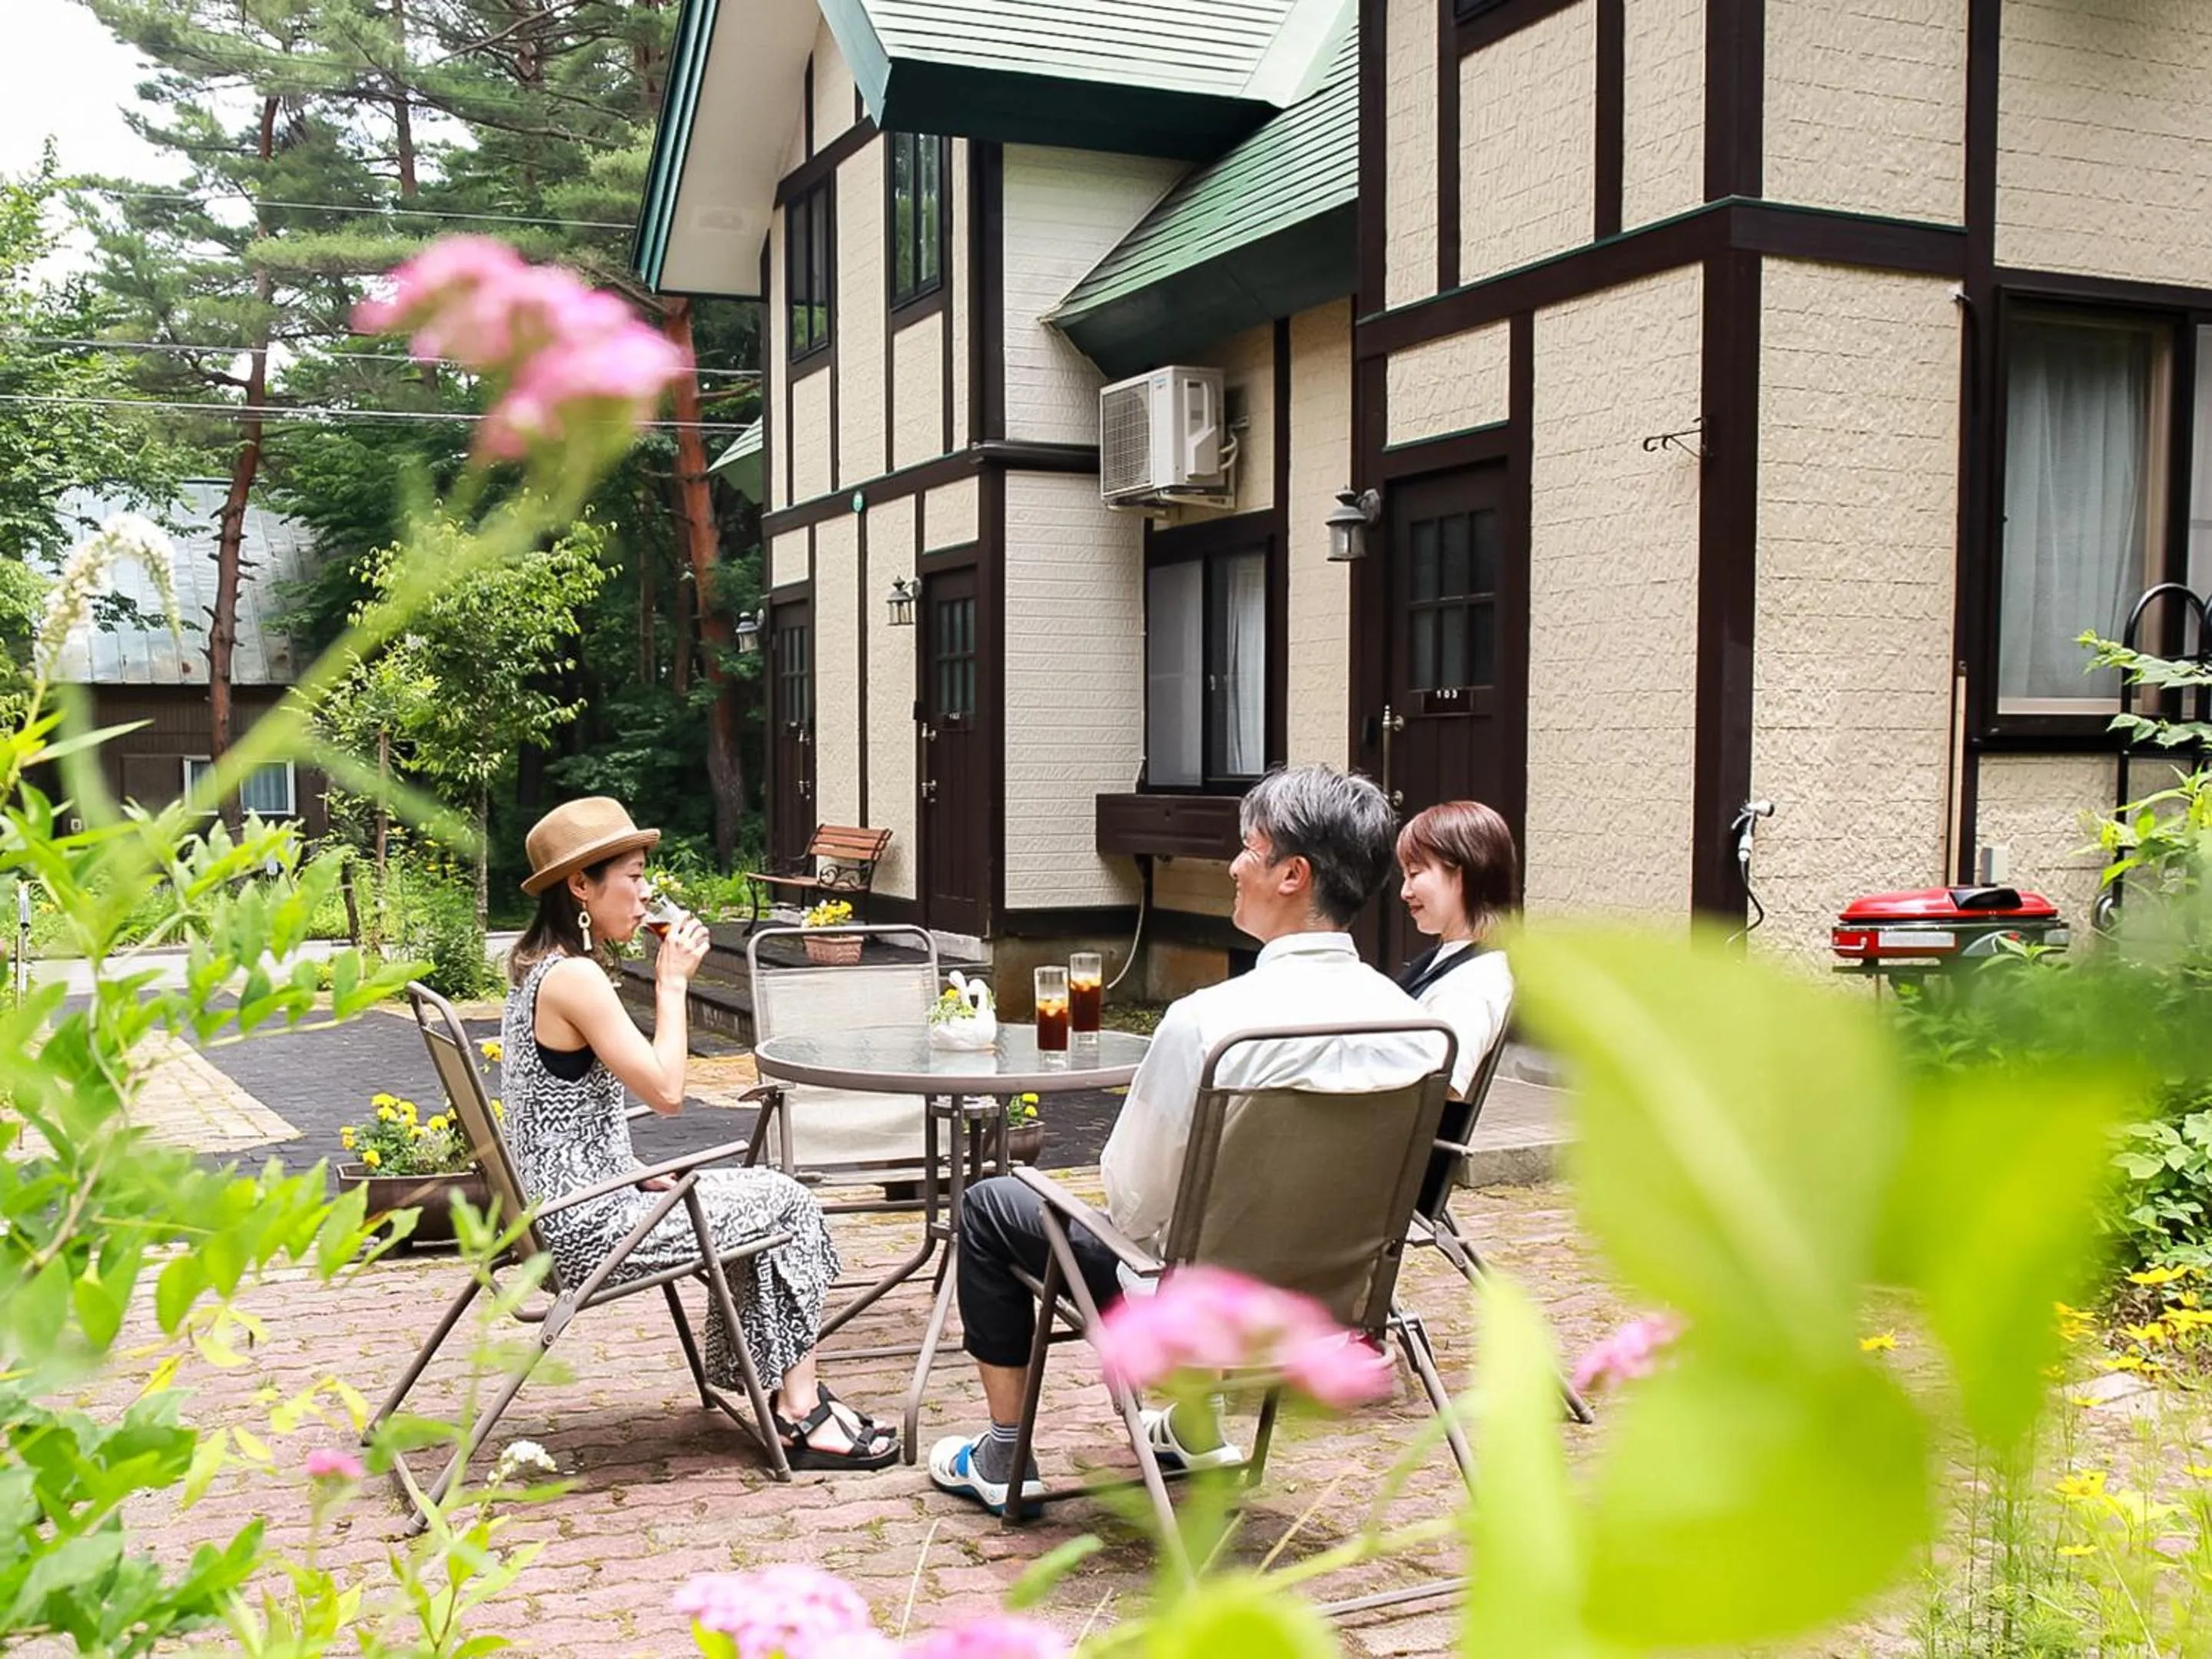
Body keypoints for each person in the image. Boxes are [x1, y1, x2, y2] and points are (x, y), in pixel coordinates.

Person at [929, 766, 1445, 1513]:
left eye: (1249, 849)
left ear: (1293, 875)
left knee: (992, 1204)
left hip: (1196, 1315)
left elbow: (1134, 1202)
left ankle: (1005, 1451)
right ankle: (1196, 1429)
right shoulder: (1416, 1028)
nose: (1233, 866)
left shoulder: (1212, 1023)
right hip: (1329, 1313)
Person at [501, 796, 898, 1472]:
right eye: (632, 877)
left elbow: (556, 1118)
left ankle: (790, 1398)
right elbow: (667, 1093)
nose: (645, 893)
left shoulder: (536, 966)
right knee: (788, 1202)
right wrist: (673, 985)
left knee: (756, 1200)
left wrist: (629, 1169)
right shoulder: (576, 978)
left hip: (565, 1212)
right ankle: (802, 1411)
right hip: (590, 1231)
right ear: (580, 886)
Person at [1393, 800, 1518, 1217]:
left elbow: (1439, 1084)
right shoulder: (1448, 957)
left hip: (1390, 1174)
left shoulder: (1477, 982)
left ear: (1462, 873)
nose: (1404, 891)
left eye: (1415, 873)